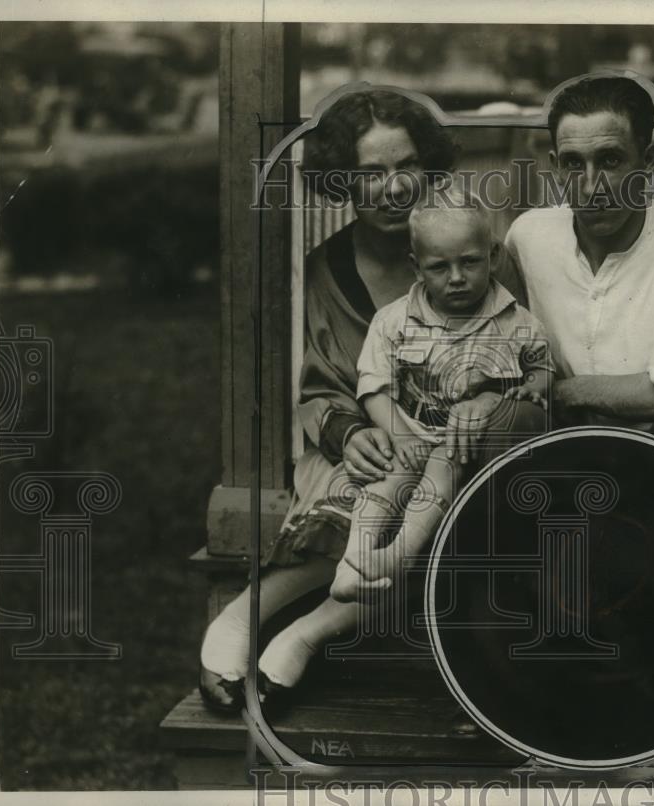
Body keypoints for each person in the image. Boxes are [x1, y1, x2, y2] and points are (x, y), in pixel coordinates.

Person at [198, 88, 528, 713]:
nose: (394, 187)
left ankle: (304, 634)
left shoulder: (473, 252)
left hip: (460, 442)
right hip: (367, 438)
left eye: (405, 166)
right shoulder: (326, 269)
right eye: (371, 173)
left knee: (430, 503)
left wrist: (483, 402)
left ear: (427, 167)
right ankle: (244, 617)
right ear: (342, 180)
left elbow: (520, 352)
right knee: (362, 490)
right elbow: (321, 383)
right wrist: (350, 433)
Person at [504, 74, 654, 481]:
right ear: (556, 168)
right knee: (513, 416)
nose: (592, 186)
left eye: (610, 160)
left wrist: (570, 391)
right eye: (574, 164)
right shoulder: (528, 236)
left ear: (647, 162)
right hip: (559, 455)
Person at [330, 190, 553, 602]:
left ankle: (401, 554)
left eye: (470, 262)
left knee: (441, 466)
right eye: (439, 267)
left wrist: (532, 387)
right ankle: (354, 561)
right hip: (408, 434)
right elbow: (374, 387)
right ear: (417, 267)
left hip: (464, 448)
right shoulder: (395, 321)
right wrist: (400, 435)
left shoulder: (516, 321)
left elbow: (543, 368)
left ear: (493, 255)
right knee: (383, 478)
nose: (456, 278)